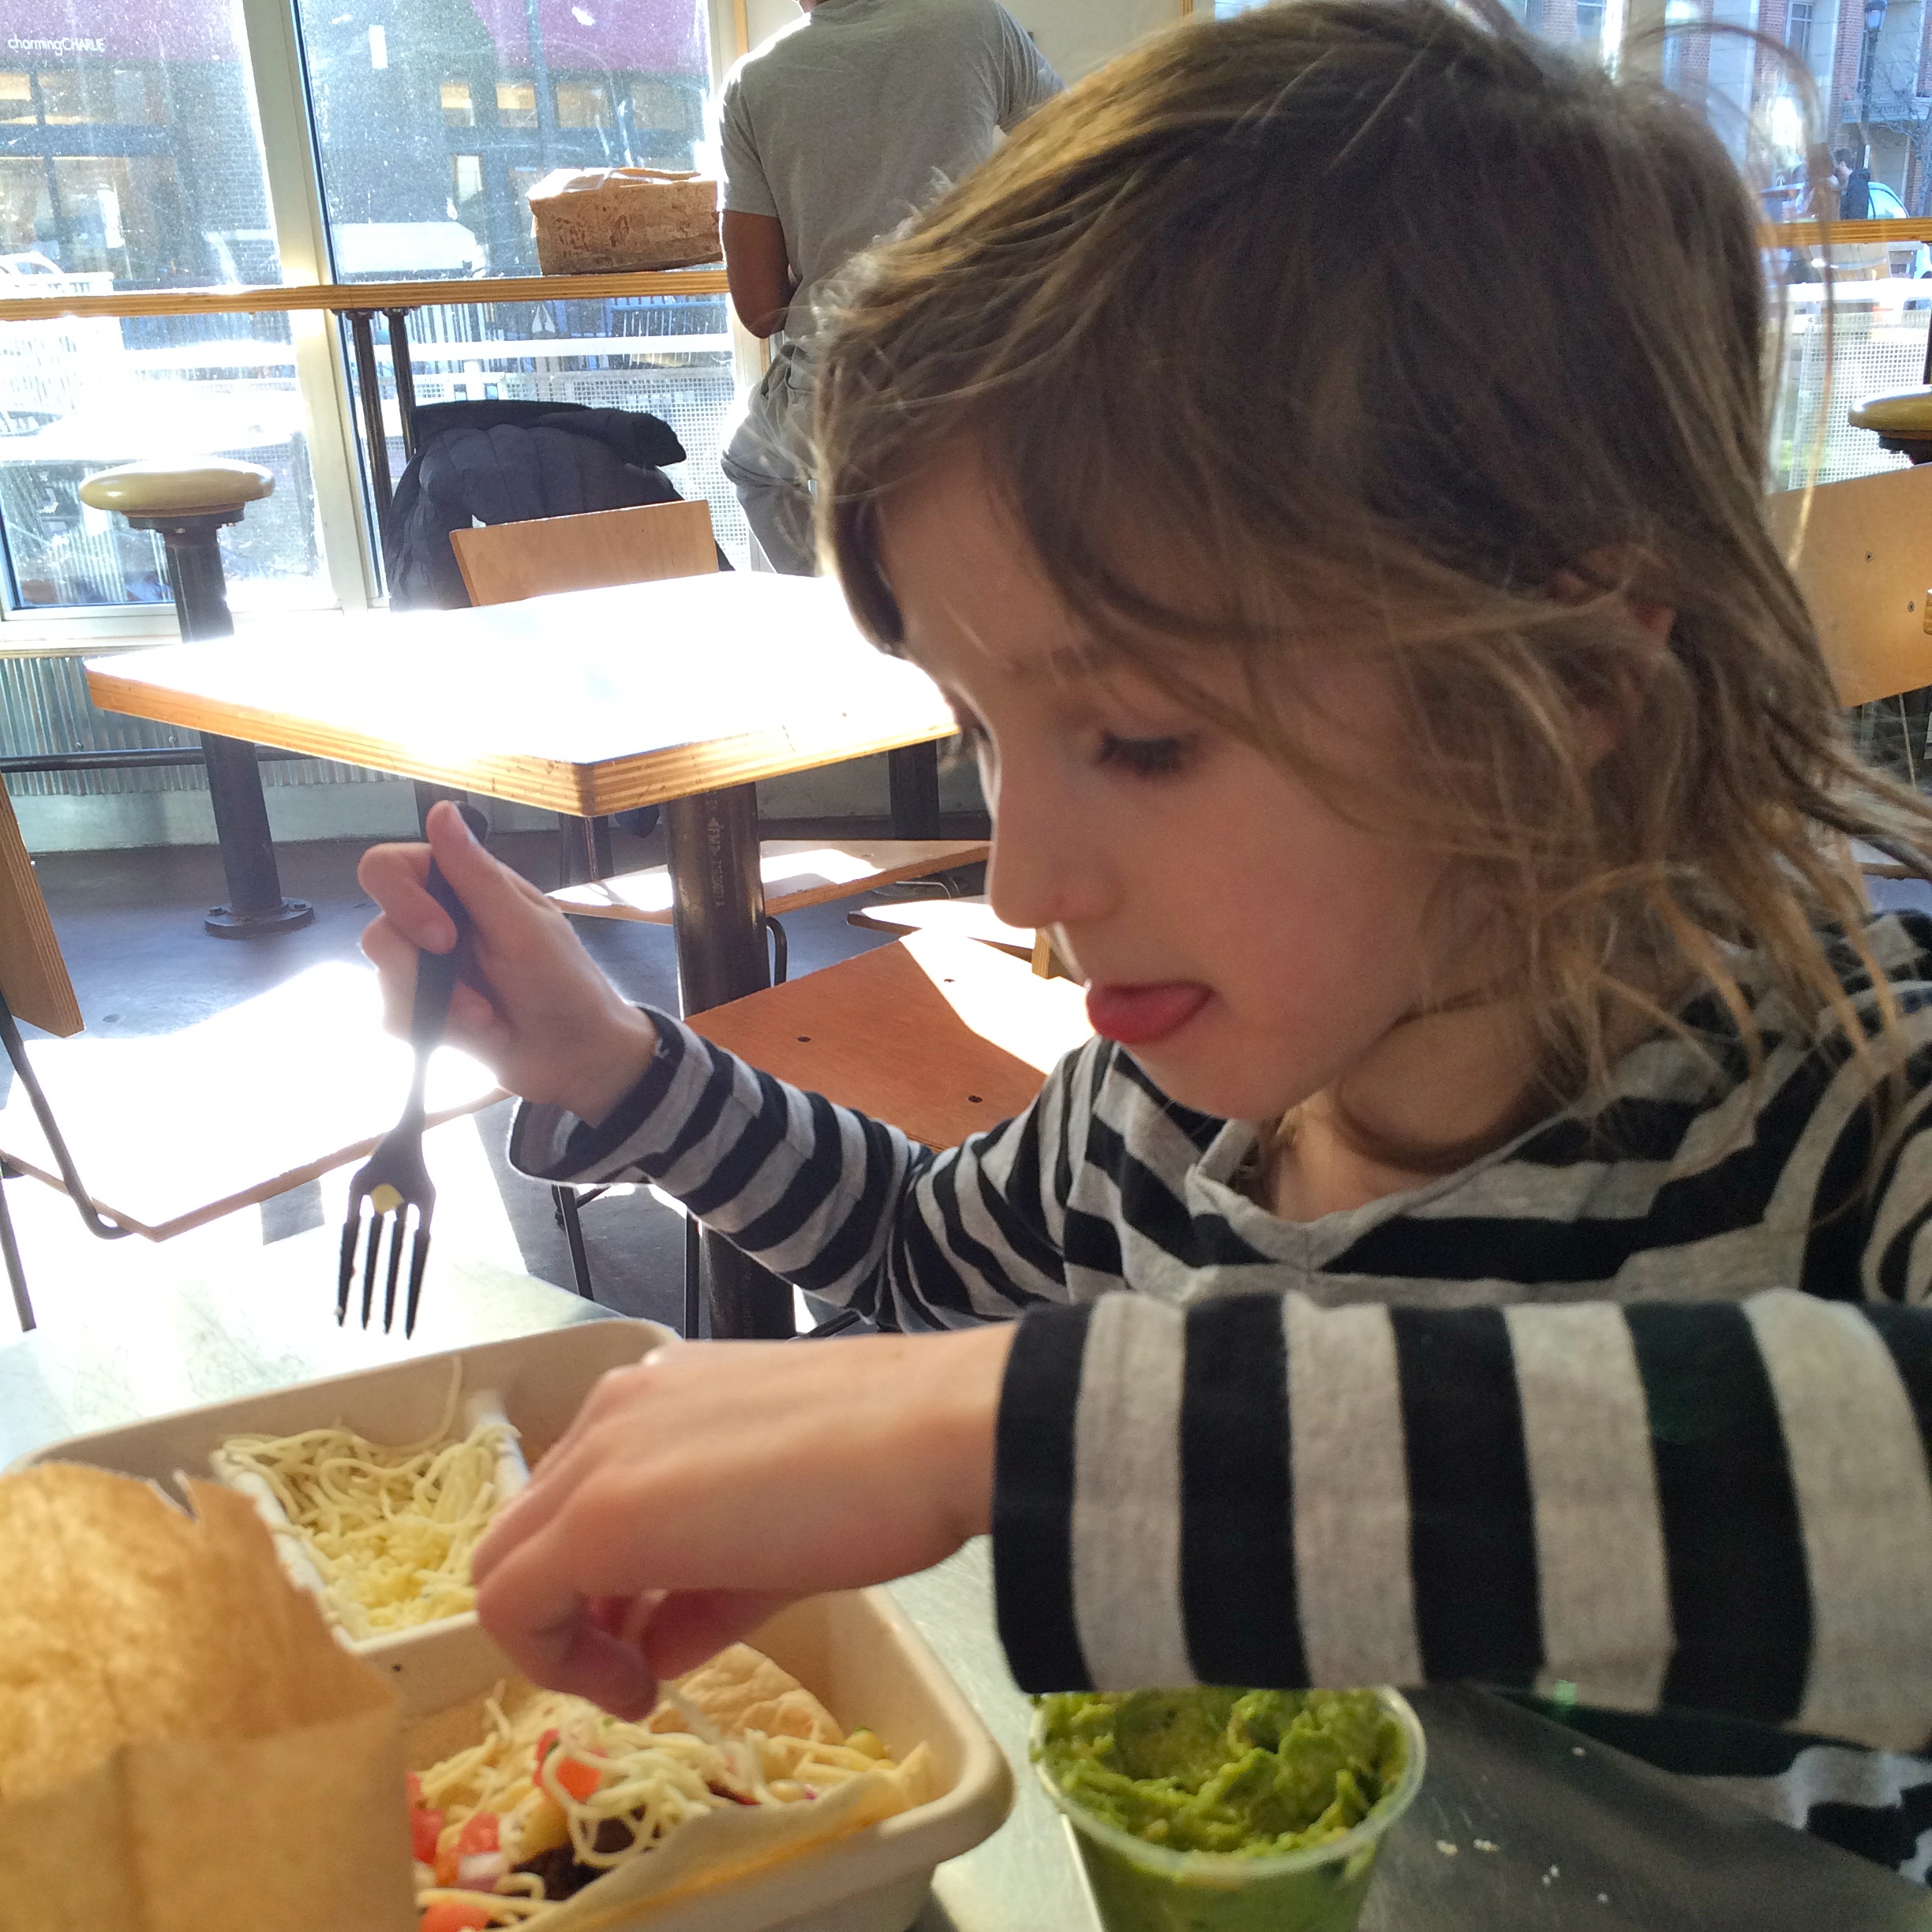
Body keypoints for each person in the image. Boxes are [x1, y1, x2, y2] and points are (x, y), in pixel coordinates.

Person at [361, 0, 1932, 1879]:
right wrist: (617, 1072)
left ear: (1574, 668)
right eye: (981, 731)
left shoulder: (1847, 1114)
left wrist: (1035, 1437)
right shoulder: (1163, 1114)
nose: (1023, 880)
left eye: (1141, 739)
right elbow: (914, 1264)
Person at [714, 0, 1061, 574]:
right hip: (977, 353)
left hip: (841, 375)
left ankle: (841, 606)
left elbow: (759, 311)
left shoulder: (754, 81)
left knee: (752, 466)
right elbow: (1081, 158)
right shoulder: (976, 20)